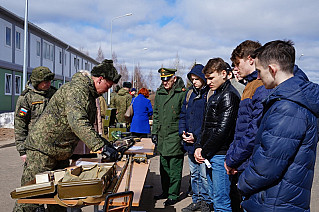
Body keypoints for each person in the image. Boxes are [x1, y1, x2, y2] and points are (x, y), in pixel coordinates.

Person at [13, 59, 122, 212]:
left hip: (59, 152)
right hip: (42, 150)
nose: (107, 90)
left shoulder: (88, 93)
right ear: (100, 80)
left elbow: (86, 126)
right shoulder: (77, 91)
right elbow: (78, 122)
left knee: (60, 198)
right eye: (108, 86)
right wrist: (101, 146)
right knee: (29, 199)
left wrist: (107, 144)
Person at [237, 40, 319, 211]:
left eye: (259, 71)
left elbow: (267, 164)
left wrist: (242, 183)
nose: (258, 77)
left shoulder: (287, 107)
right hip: (281, 199)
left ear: (273, 69)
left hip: (274, 201)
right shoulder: (292, 100)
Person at [194, 58, 240, 212]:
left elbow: (223, 131)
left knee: (221, 202)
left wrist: (204, 151)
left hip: (220, 155)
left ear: (224, 74)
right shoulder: (215, 94)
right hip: (211, 154)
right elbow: (206, 126)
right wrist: (199, 147)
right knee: (215, 198)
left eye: (211, 78)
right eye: (206, 78)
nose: (208, 82)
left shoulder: (229, 95)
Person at [152, 68, 186, 206]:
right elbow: (156, 115)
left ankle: (173, 195)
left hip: (174, 135)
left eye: (167, 79)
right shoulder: (159, 93)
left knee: (175, 168)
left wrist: (182, 134)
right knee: (164, 167)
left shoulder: (181, 94)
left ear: (174, 78)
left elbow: (184, 115)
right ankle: (165, 191)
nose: (164, 82)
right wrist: (154, 132)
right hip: (162, 136)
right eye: (162, 79)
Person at [179, 64, 210, 212]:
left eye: (197, 79)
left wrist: (196, 135)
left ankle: (206, 202)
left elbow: (207, 120)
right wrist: (182, 132)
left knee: (204, 175)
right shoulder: (190, 93)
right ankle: (196, 200)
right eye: (192, 79)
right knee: (195, 175)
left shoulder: (209, 94)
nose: (194, 82)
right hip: (189, 142)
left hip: (201, 142)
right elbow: (183, 115)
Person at [14, 66, 56, 163]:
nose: (49, 83)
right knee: (35, 176)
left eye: (50, 81)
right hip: (35, 146)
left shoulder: (54, 94)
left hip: (54, 145)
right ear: (37, 82)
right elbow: (20, 124)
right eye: (45, 81)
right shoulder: (27, 98)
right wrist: (22, 150)